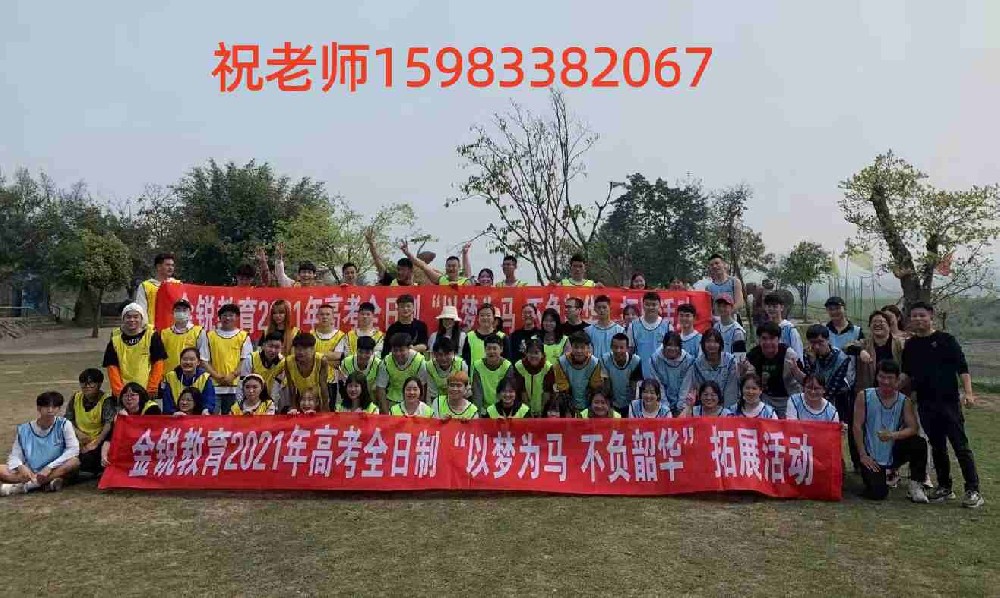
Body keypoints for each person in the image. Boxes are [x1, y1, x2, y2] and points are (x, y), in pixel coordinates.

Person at [900, 301, 984, 508]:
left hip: (948, 402)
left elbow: (962, 368)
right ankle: (945, 487)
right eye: (914, 316)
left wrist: (969, 393)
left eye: (922, 315)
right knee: (937, 447)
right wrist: (891, 387)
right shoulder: (911, 346)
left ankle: (973, 490)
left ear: (931, 317)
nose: (918, 319)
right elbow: (906, 374)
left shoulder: (946, 340)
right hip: (925, 403)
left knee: (960, 446)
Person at [854, 360, 929, 503]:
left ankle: (916, 484)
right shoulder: (864, 396)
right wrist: (863, 454)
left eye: (890, 378)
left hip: (893, 450)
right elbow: (857, 426)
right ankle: (878, 476)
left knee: (919, 443)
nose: (885, 382)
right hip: (871, 454)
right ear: (877, 376)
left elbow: (913, 428)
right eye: (882, 377)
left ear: (897, 379)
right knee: (878, 493)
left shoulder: (904, 401)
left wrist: (893, 435)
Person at [799, 324, 856, 468]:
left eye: (820, 342)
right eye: (813, 343)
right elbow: (809, 379)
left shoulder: (841, 358)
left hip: (837, 399)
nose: (816, 347)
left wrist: (819, 404)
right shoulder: (808, 354)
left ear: (828, 340)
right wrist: (812, 362)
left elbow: (833, 387)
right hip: (815, 397)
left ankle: (837, 467)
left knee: (834, 436)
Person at [1, 392, 80, 496]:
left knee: (74, 462)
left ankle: (27, 486)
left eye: (54, 407)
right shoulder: (24, 429)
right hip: (30, 471)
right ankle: (47, 482)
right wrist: (20, 467)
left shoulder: (64, 424)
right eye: (46, 407)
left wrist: (49, 467)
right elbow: (15, 455)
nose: (50, 410)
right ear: (39, 408)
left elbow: (73, 449)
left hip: (54, 469)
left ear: (59, 409)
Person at [102, 302, 167, 397]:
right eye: (128, 317)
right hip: (124, 393)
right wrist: (119, 392)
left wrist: (152, 388)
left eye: (136, 317)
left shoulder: (151, 336)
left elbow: (158, 363)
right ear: (123, 319)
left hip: (146, 391)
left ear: (141, 318)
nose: (132, 320)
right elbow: (112, 368)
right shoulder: (115, 341)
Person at [745, 321, 803, 418]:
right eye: (764, 338)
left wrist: (796, 372)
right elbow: (745, 380)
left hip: (787, 398)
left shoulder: (789, 355)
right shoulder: (753, 355)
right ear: (759, 339)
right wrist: (743, 372)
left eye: (772, 338)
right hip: (764, 398)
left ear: (778, 339)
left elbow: (803, 381)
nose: (768, 342)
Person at [202, 303, 252, 414]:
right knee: (211, 418)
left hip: (235, 387)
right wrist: (216, 376)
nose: (227, 318)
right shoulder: (210, 335)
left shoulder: (244, 336)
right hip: (213, 386)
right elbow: (204, 360)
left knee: (231, 419)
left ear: (237, 317)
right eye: (224, 315)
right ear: (219, 317)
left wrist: (233, 375)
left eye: (231, 315)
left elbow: (245, 360)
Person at [64, 369, 114, 477]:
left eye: (91, 383)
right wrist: (79, 435)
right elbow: (68, 420)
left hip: (97, 440)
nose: (86, 386)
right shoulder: (76, 397)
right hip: (78, 437)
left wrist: (95, 443)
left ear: (99, 384)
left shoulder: (107, 400)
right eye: (83, 383)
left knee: (89, 458)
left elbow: (108, 424)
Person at [846, 311, 904, 396]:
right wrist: (860, 351)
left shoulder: (899, 344)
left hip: (895, 391)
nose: (877, 324)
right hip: (870, 392)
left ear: (889, 325)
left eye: (881, 322)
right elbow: (846, 347)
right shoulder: (864, 343)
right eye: (874, 322)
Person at [687, 329, 742, 408]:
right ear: (703, 344)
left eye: (715, 342)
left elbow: (731, 390)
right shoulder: (697, 364)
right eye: (708, 341)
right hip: (706, 406)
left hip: (728, 407)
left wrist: (725, 411)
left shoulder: (730, 361)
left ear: (720, 344)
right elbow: (700, 390)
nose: (712, 345)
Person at [643, 332, 695, 416]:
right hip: (661, 405)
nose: (672, 348)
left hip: (682, 406)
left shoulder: (688, 361)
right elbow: (658, 385)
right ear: (664, 345)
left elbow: (686, 387)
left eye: (676, 345)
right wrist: (665, 409)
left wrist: (680, 408)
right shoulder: (654, 360)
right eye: (669, 345)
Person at [552, 332, 603, 415]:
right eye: (576, 347)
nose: (579, 351)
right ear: (571, 347)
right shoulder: (561, 362)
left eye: (582, 347)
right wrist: (569, 410)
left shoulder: (595, 363)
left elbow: (595, 387)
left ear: (588, 348)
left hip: (589, 403)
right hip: (568, 403)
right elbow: (563, 388)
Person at [375, 332, 427, 413]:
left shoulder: (420, 361)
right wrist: (387, 414)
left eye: (402, 350)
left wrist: (418, 410)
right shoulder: (385, 362)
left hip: (413, 400)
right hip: (392, 401)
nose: (398, 354)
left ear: (409, 348)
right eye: (395, 350)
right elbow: (381, 388)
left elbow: (423, 387)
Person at [283, 332, 331, 413]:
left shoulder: (321, 360)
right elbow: (291, 387)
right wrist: (293, 406)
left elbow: (323, 386)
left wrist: (325, 408)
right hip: (301, 398)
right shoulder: (288, 362)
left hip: (317, 398)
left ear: (313, 349)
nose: (300, 352)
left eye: (304, 348)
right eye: (297, 348)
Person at [162, 347, 216, 415]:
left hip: (198, 417)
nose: (188, 362)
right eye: (184, 359)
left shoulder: (204, 377)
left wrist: (206, 411)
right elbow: (167, 402)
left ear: (198, 362)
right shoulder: (171, 376)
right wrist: (173, 413)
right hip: (176, 416)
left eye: (192, 359)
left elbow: (209, 399)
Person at [600, 333, 643, 416]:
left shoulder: (636, 361)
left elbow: (634, 387)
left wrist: (632, 408)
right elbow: (607, 385)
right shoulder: (604, 359)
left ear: (627, 348)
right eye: (615, 347)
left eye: (621, 347)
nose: (618, 350)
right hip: (612, 403)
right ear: (611, 347)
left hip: (629, 404)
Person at [159, 299, 208, 373]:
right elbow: (159, 359)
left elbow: (203, 359)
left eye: (184, 310)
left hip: (190, 376)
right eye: (178, 309)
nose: (181, 312)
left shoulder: (199, 331)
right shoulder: (164, 333)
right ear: (173, 312)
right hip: (168, 376)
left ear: (189, 313)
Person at [470, 334, 513, 415]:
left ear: (501, 349)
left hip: (501, 410)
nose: (491, 351)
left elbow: (507, 392)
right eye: (489, 348)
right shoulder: (477, 365)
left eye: (494, 348)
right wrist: (477, 414)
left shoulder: (507, 366)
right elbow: (477, 393)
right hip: (484, 410)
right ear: (485, 349)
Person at [134, 252, 179, 326]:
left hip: (173, 330)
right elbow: (141, 310)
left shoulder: (178, 285)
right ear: (158, 267)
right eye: (167, 265)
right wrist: (147, 329)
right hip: (153, 329)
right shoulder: (145, 286)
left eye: (172, 265)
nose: (171, 268)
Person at [513, 339, 554, 417]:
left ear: (542, 354)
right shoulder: (519, 366)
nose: (533, 356)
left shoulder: (548, 367)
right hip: (523, 408)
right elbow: (522, 391)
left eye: (536, 353)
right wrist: (527, 411)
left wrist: (542, 409)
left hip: (543, 408)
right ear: (526, 353)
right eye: (530, 352)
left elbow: (547, 391)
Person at [627, 292, 671, 365]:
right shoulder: (633, 326)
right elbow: (630, 351)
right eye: (647, 304)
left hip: (660, 370)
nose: (650, 307)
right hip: (640, 369)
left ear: (659, 305)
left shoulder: (667, 326)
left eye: (654, 305)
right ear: (643, 305)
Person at [313, 303, 346, 401]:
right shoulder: (311, 335)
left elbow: (338, 357)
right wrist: (330, 358)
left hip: (333, 381)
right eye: (322, 314)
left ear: (333, 317)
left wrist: (316, 356)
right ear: (317, 316)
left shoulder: (341, 336)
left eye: (327, 314)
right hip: (313, 379)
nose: (324, 317)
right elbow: (308, 357)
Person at [401, 240, 471, 286]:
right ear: (445, 267)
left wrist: (465, 254)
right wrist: (408, 253)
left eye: (453, 266)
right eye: (449, 266)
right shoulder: (441, 280)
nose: (451, 268)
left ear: (459, 267)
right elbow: (423, 266)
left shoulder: (465, 281)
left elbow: (467, 273)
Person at [422, 337, 467, 403]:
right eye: (440, 355)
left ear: (453, 353)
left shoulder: (462, 365)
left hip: (458, 400)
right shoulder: (429, 366)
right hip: (438, 401)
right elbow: (433, 394)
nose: (444, 358)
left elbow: (464, 390)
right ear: (434, 354)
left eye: (447, 354)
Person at [340, 336, 382, 403]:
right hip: (351, 401)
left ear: (372, 352)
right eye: (360, 352)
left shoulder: (379, 365)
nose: (363, 356)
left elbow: (379, 389)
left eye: (367, 353)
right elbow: (345, 386)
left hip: (371, 401)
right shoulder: (346, 363)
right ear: (356, 350)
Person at [764, 292, 804, 358]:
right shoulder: (764, 328)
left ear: (782, 307)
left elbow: (798, 352)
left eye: (774, 306)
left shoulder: (789, 330)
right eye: (769, 306)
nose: (771, 309)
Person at [251, 331, 286, 400]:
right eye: (270, 346)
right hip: (251, 398)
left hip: (270, 399)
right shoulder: (251, 358)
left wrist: (271, 403)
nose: (273, 350)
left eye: (277, 347)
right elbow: (242, 384)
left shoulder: (283, 363)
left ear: (282, 348)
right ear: (264, 345)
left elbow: (277, 389)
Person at [712, 294, 746, 360]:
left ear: (731, 307)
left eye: (724, 306)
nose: (721, 309)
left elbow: (740, 357)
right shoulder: (716, 327)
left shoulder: (737, 331)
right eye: (719, 306)